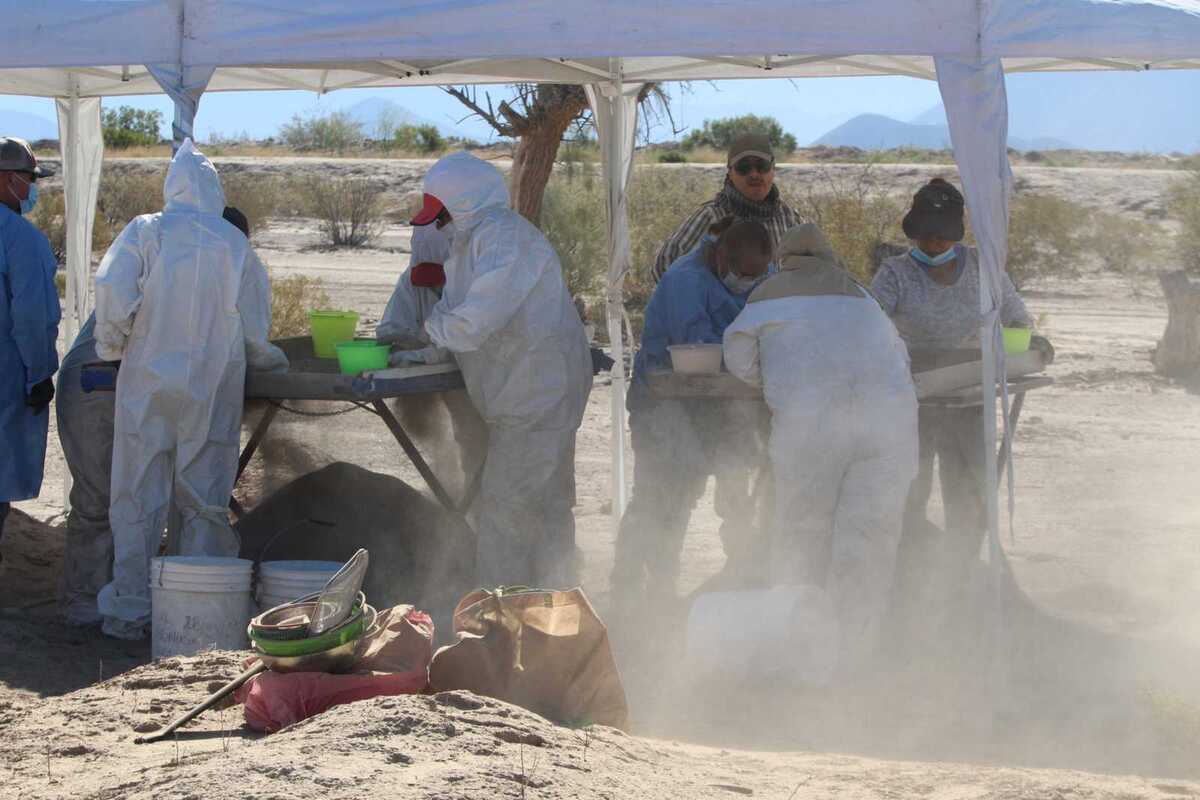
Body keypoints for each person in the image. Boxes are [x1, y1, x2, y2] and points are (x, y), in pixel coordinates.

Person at [94, 142, 288, 639]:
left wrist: (114, 346)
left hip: (147, 379)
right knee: (203, 493)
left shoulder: (148, 230)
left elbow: (112, 292)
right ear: (215, 189)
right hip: (212, 382)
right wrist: (266, 357)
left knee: (137, 490)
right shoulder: (233, 242)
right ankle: (195, 607)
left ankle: (131, 608)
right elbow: (253, 321)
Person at [723, 224, 918, 668]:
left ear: (782, 260)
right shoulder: (861, 296)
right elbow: (900, 359)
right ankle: (853, 657)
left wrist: (780, 381)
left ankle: (799, 653)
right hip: (889, 427)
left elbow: (737, 359)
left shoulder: (769, 294)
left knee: (801, 535)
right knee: (867, 543)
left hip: (811, 429)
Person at [55, 206, 259, 627]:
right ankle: (91, 604)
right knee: (103, 497)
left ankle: (133, 599)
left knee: (137, 494)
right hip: (101, 381)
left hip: (123, 383)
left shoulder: (171, 248)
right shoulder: (176, 254)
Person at [400, 152, 592, 587]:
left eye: (442, 213)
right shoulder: (469, 244)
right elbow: (455, 314)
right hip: (522, 392)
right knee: (542, 504)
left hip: (537, 393)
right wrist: (420, 350)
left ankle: (498, 613)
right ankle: (552, 603)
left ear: (464, 204)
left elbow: (473, 323)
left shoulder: (506, 240)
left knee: (509, 508)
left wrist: (431, 333)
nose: (439, 223)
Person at [870, 177, 1051, 570]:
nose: (932, 245)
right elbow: (870, 321)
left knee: (968, 482)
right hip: (913, 391)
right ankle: (909, 567)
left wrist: (1033, 340)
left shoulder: (983, 269)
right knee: (911, 484)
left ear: (956, 233)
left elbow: (1015, 315)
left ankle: (963, 567)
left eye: (941, 237)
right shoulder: (895, 272)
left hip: (969, 388)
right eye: (925, 237)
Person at [610, 217, 772, 611]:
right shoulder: (687, 281)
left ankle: (741, 579)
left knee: (739, 493)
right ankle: (633, 589)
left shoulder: (759, 277)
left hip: (721, 405)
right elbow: (695, 346)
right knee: (663, 498)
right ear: (720, 257)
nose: (747, 281)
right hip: (666, 404)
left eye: (756, 275)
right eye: (741, 274)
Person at [377, 207, 488, 498]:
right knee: (464, 440)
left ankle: (481, 508)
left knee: (482, 440)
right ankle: (461, 502)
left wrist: (425, 351)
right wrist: (408, 344)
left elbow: (465, 337)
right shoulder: (411, 279)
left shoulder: (476, 280)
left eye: (439, 280)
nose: (433, 288)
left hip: (484, 379)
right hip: (443, 376)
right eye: (427, 280)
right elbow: (390, 328)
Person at [0, 136, 59, 554]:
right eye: (28, 178)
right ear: (7, 181)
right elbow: (32, 318)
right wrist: (39, 374)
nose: (32, 187)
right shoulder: (22, 240)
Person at [652, 132, 801, 282]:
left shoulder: (789, 218)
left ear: (773, 169)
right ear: (730, 172)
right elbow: (664, 265)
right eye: (744, 168)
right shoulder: (711, 216)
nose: (754, 174)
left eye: (762, 166)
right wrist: (710, 298)